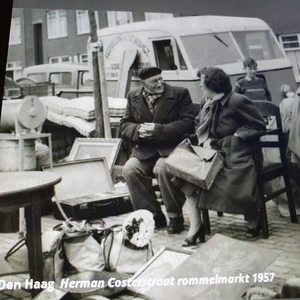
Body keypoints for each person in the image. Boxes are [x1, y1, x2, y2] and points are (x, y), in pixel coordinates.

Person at [180, 67, 266, 246]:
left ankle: (253, 218)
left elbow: (259, 124)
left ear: (214, 86)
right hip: (213, 150)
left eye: (203, 84)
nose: (200, 87)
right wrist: (206, 137)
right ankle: (196, 226)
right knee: (189, 176)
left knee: (235, 183)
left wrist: (237, 136)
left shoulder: (237, 101)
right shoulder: (208, 100)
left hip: (238, 152)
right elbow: (199, 122)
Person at [120, 66, 195, 234]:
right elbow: (124, 124)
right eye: (154, 81)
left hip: (173, 147)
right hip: (146, 149)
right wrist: (138, 130)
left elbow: (189, 123)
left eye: (161, 79)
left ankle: (175, 216)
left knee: (162, 168)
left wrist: (158, 130)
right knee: (130, 169)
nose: (160, 83)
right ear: (143, 83)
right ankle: (152, 216)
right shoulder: (133, 96)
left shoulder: (179, 94)